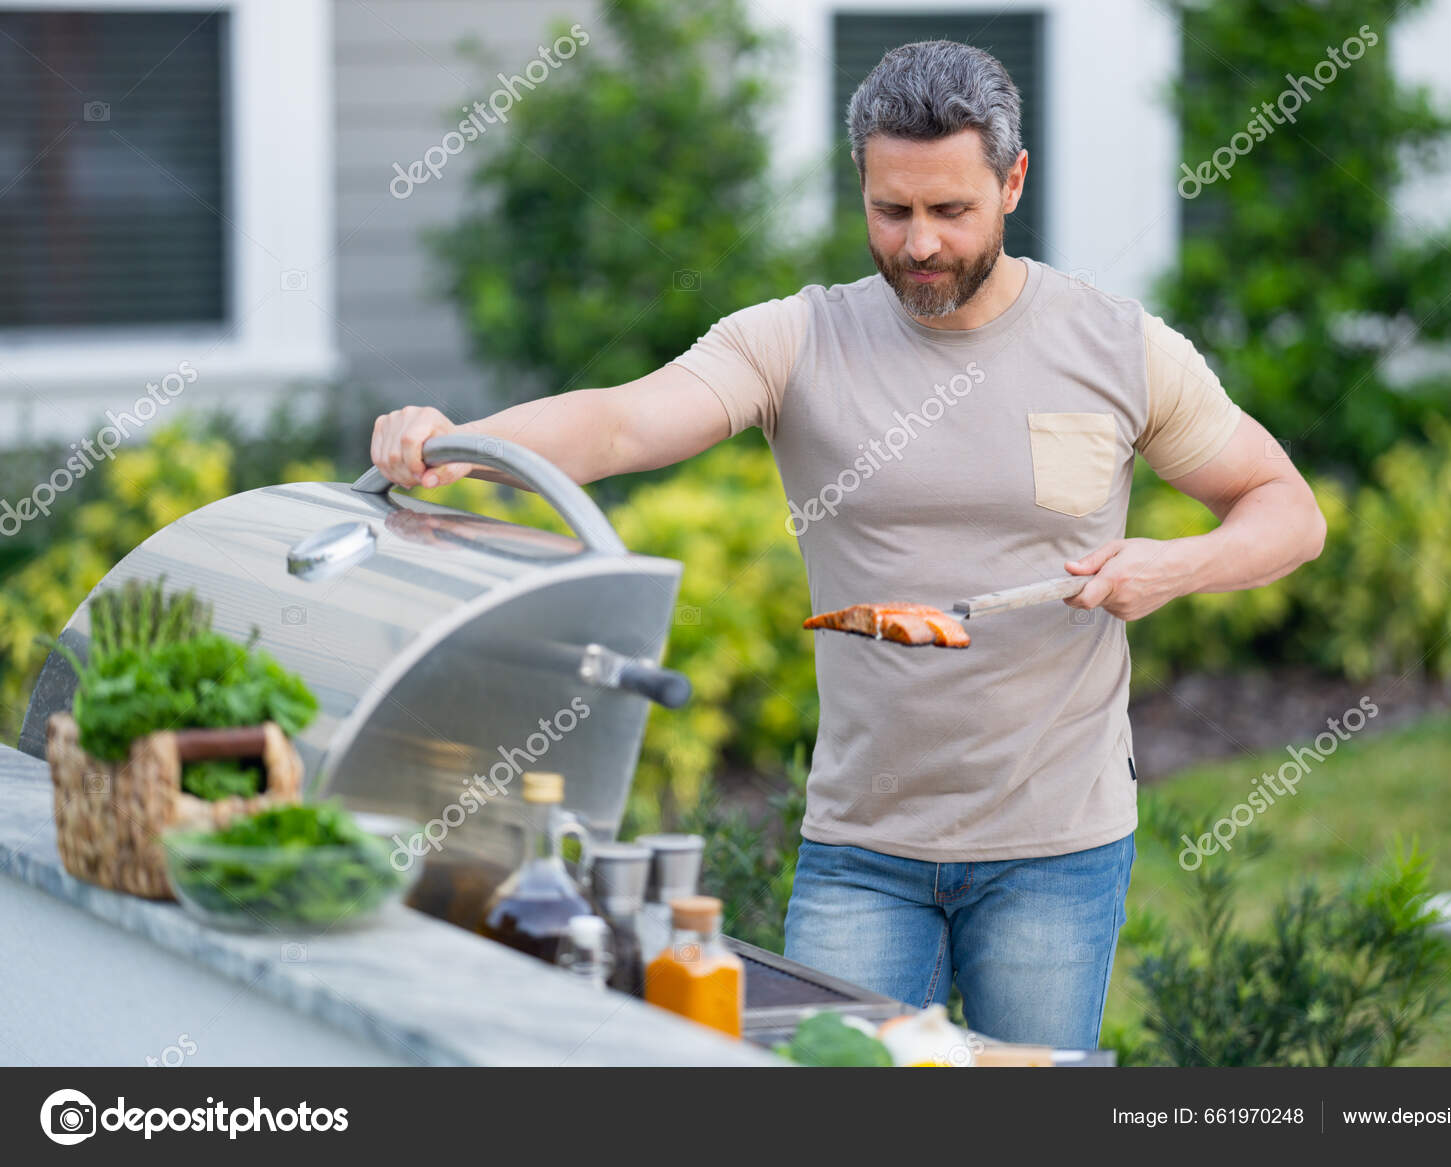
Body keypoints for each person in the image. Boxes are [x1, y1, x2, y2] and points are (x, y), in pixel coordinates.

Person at [369, 39, 1326, 1049]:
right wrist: (457, 447)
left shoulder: (1118, 347)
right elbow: (618, 425)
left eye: (950, 212)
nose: (918, 244)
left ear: (1011, 183)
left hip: (1057, 846)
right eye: (891, 210)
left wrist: (1175, 566)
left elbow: (1287, 510)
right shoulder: (795, 342)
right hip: (862, 850)